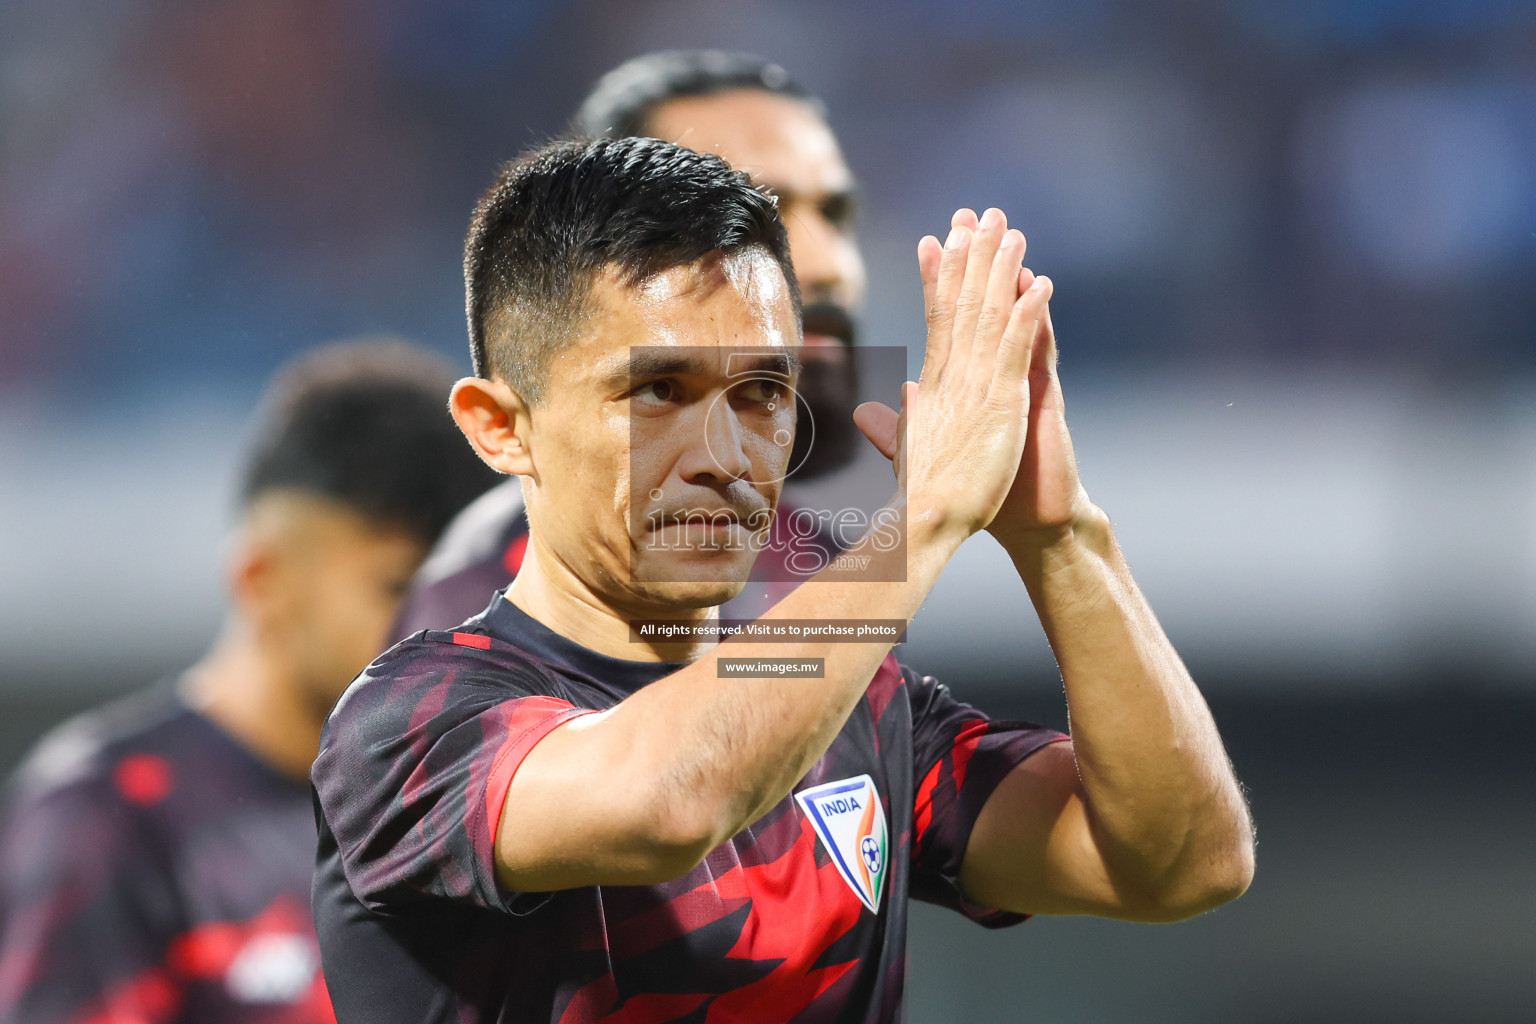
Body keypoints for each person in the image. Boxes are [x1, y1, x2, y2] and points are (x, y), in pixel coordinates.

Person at [311, 137, 1255, 1023]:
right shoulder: (409, 723)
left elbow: (1182, 866)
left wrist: (1061, 535)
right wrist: (921, 516)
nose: (724, 455)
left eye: (761, 393)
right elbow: (669, 800)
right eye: (659, 392)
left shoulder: (855, 706)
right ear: (500, 426)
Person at [0, 341, 498, 1023]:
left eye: (458, 592)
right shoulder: (106, 819)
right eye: (395, 588)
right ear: (261, 581)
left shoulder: (458, 813)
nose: (437, 626)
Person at [393, 50, 865, 637]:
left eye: (834, 213)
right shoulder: (484, 596)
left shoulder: (818, 558)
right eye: (746, 212)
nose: (826, 265)